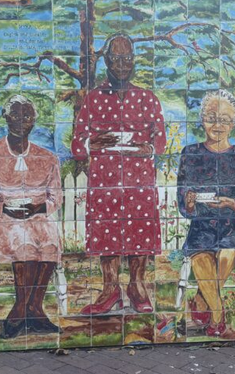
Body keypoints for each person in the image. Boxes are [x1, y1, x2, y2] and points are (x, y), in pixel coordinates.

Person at [71, 33, 167, 314]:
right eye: (116, 58)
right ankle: (110, 290)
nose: (122, 64)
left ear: (134, 60)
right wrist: (94, 142)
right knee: (106, 231)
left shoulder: (147, 98)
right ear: (107, 61)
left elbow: (160, 140)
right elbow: (77, 145)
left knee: (140, 231)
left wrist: (147, 148)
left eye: (127, 58)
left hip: (139, 178)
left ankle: (137, 287)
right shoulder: (93, 99)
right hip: (106, 179)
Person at [177, 89, 235, 337]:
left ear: (233, 124)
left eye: (224, 119)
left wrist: (231, 203)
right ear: (202, 120)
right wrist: (190, 202)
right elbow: (183, 205)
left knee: (227, 253)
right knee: (200, 256)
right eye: (212, 118)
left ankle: (203, 299)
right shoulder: (190, 154)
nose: (217, 125)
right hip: (202, 224)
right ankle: (217, 315)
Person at [0, 95, 62, 338]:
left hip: (38, 217)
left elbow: (55, 197)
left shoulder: (47, 157)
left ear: (34, 120)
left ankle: (33, 309)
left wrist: (37, 209)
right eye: (15, 115)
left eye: (27, 116)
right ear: (5, 117)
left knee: (50, 245)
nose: (21, 121)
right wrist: (7, 210)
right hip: (5, 220)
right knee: (25, 244)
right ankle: (21, 310)